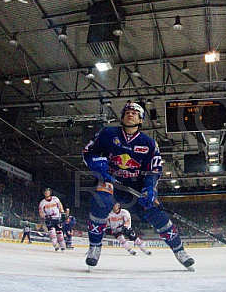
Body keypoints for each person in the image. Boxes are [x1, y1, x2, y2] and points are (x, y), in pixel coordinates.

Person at [82, 101, 194, 269]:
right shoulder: (107, 133)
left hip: (135, 187)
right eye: (127, 111)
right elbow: (88, 152)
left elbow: (153, 170)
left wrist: (149, 189)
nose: (130, 113)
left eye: (135, 112)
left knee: (158, 215)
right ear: (122, 116)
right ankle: (94, 247)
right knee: (100, 203)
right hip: (109, 181)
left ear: (141, 120)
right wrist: (96, 163)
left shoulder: (149, 143)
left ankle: (179, 250)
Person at [38, 187, 66, 252]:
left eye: (48, 191)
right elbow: (40, 212)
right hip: (49, 219)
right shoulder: (42, 203)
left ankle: (62, 246)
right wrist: (44, 216)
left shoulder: (55, 199)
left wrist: (62, 213)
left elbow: (60, 206)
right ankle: (55, 245)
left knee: (59, 232)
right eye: (45, 192)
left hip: (57, 218)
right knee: (52, 232)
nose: (47, 193)